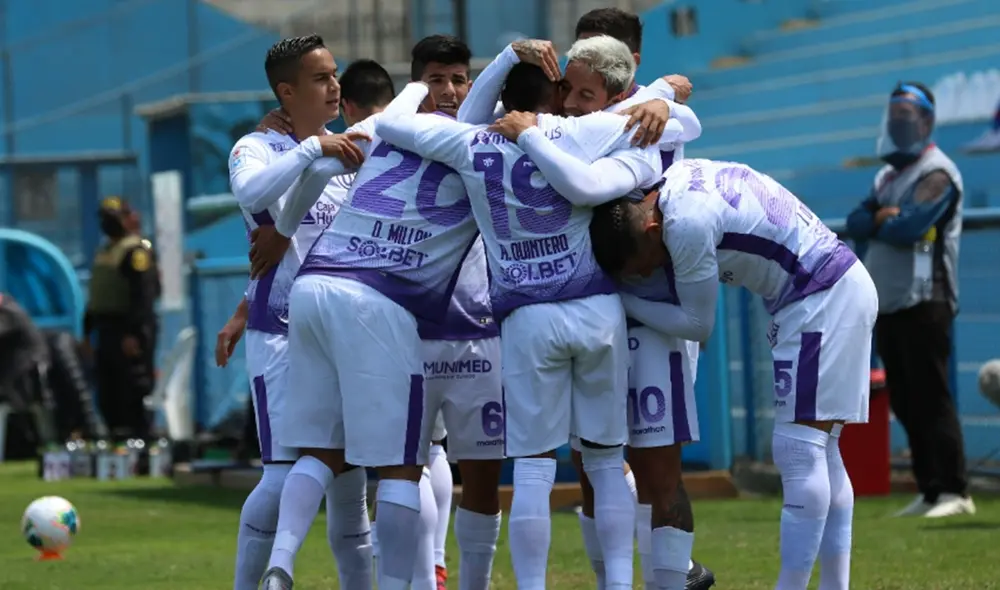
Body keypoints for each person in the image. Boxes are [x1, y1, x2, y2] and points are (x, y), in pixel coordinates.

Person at [375, 36, 678, 590]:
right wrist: (660, 93)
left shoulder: (470, 142)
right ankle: (616, 583)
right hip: (594, 309)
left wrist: (435, 81)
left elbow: (393, 126)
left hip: (526, 317)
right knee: (608, 462)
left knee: (535, 469)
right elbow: (675, 124)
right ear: (557, 96)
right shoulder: (580, 130)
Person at [457, 10, 713, 587]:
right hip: (593, 313)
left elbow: (686, 120)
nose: (569, 100)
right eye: (566, 83)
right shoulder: (554, 123)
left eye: (584, 89)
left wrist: (667, 98)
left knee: (654, 464)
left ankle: (675, 576)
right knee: (599, 462)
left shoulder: (646, 120)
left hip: (646, 318)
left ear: (629, 75)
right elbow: (472, 127)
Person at [588, 158, 878, 590]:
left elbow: (697, 324)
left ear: (650, 231)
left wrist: (619, 303)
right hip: (828, 286)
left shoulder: (681, 225)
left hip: (819, 295)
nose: (648, 273)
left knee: (800, 451)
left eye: (642, 265)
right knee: (823, 450)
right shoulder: (671, 183)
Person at [215, 35, 376, 590]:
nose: (335, 85)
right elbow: (250, 190)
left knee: (350, 488)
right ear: (286, 91)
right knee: (283, 477)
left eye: (335, 74)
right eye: (319, 78)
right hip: (280, 335)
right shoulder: (254, 147)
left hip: (341, 337)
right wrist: (312, 151)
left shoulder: (350, 150)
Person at [845, 82, 972, 519]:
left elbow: (910, 228)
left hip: (927, 299)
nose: (899, 121)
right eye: (894, 112)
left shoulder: (939, 172)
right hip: (892, 301)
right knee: (904, 398)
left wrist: (882, 220)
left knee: (932, 395)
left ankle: (956, 489)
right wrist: (882, 216)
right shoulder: (887, 175)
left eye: (908, 114)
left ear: (927, 121)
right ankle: (930, 487)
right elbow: (856, 220)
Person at [82, 196, 160, 442]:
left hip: (129, 329)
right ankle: (116, 438)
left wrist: (133, 334)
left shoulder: (136, 251)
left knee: (133, 386)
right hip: (105, 329)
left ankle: (140, 439)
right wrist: (87, 333)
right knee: (108, 387)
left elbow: (143, 296)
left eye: (115, 218)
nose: (109, 223)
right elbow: (96, 296)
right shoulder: (104, 251)